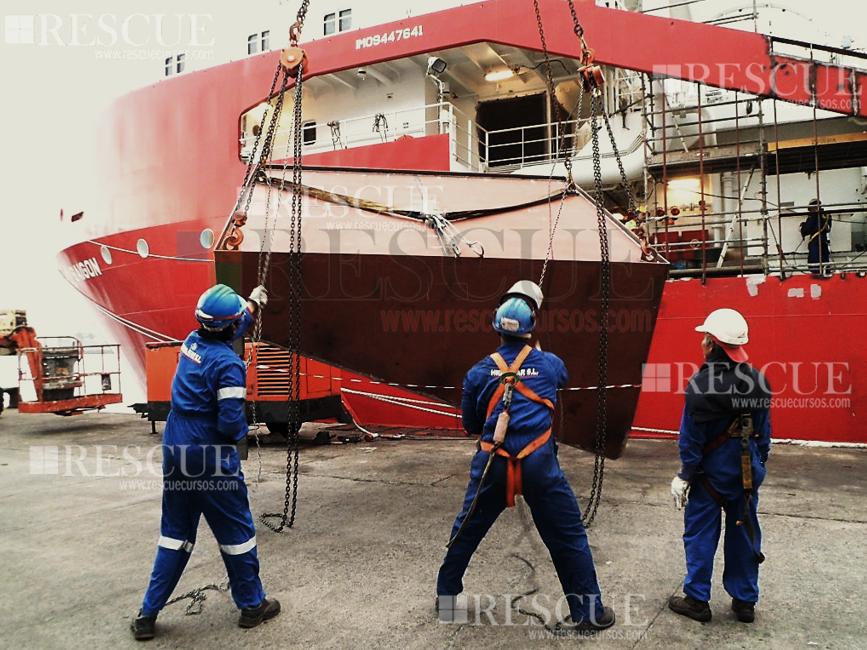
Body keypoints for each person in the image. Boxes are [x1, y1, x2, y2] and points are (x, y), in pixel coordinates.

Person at [436, 281, 614, 631]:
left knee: (467, 530)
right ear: (533, 326)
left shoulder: (477, 372)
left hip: (493, 464)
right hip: (540, 467)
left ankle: (446, 602)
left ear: (495, 326)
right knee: (568, 536)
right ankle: (589, 612)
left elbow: (472, 424)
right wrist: (535, 352)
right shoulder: (550, 365)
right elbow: (557, 375)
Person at [131, 284, 280, 641]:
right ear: (229, 327)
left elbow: (227, 325)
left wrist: (253, 306)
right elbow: (230, 425)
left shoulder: (191, 342)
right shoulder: (229, 364)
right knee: (236, 535)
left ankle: (147, 615)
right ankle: (251, 606)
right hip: (209, 453)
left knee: (175, 535)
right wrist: (247, 427)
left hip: (176, 445)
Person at [669, 308, 772, 624]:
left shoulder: (700, 386)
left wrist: (684, 475)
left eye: (705, 338)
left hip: (709, 477)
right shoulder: (758, 381)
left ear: (712, 344)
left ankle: (698, 601)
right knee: (744, 533)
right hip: (745, 474)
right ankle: (744, 602)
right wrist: (758, 464)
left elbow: (691, 439)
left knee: (700, 533)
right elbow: (763, 434)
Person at [799, 198, 831, 274]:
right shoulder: (826, 216)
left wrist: (803, 226)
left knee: (814, 264)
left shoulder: (813, 216)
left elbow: (806, 229)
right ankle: (825, 272)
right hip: (824, 242)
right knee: (825, 262)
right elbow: (828, 229)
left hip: (815, 242)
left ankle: (817, 274)